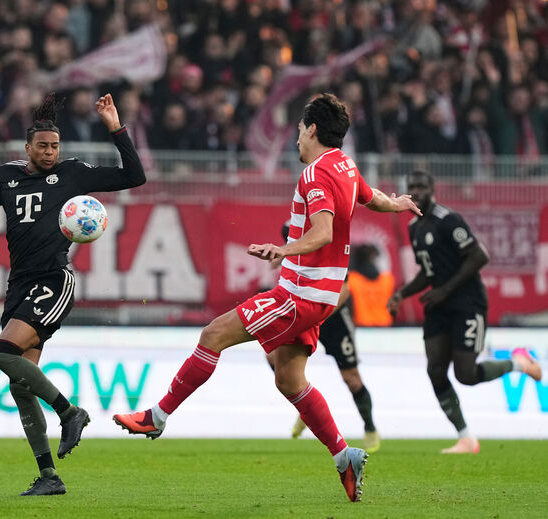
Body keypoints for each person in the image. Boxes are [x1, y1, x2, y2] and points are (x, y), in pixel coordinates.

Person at [113, 93, 420, 502]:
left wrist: (283, 250)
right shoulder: (345, 166)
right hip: (320, 297)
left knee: (212, 334)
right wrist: (396, 204)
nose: (296, 138)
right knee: (289, 379)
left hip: (299, 294)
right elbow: (371, 197)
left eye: (299, 130)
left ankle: (157, 416)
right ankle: (344, 456)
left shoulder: (315, 174)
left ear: (312, 129)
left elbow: (323, 232)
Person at [0, 92, 146, 496]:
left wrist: (116, 128)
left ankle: (70, 412)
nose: (49, 152)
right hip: (19, 285)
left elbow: (134, 176)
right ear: (27, 148)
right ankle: (48, 476)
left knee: (2, 353)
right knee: (20, 386)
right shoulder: (4, 177)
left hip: (54, 279)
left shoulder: (73, 173)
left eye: (54, 146)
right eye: (42, 146)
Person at [387, 170, 543, 454]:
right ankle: (466, 438)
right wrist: (402, 294)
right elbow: (428, 272)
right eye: (412, 187)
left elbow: (479, 255)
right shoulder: (414, 227)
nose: (416, 191)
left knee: (466, 374)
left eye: (421, 186)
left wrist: (445, 290)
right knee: (435, 370)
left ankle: (520, 363)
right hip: (439, 304)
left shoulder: (448, 220)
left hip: (467, 303)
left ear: (432, 190)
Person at [270, 222, 381, 452]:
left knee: (351, 378)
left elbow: (345, 289)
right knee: (273, 356)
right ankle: (305, 405)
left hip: (334, 316)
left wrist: (320, 316)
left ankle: (370, 428)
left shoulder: (327, 236)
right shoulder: (291, 231)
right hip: (304, 313)